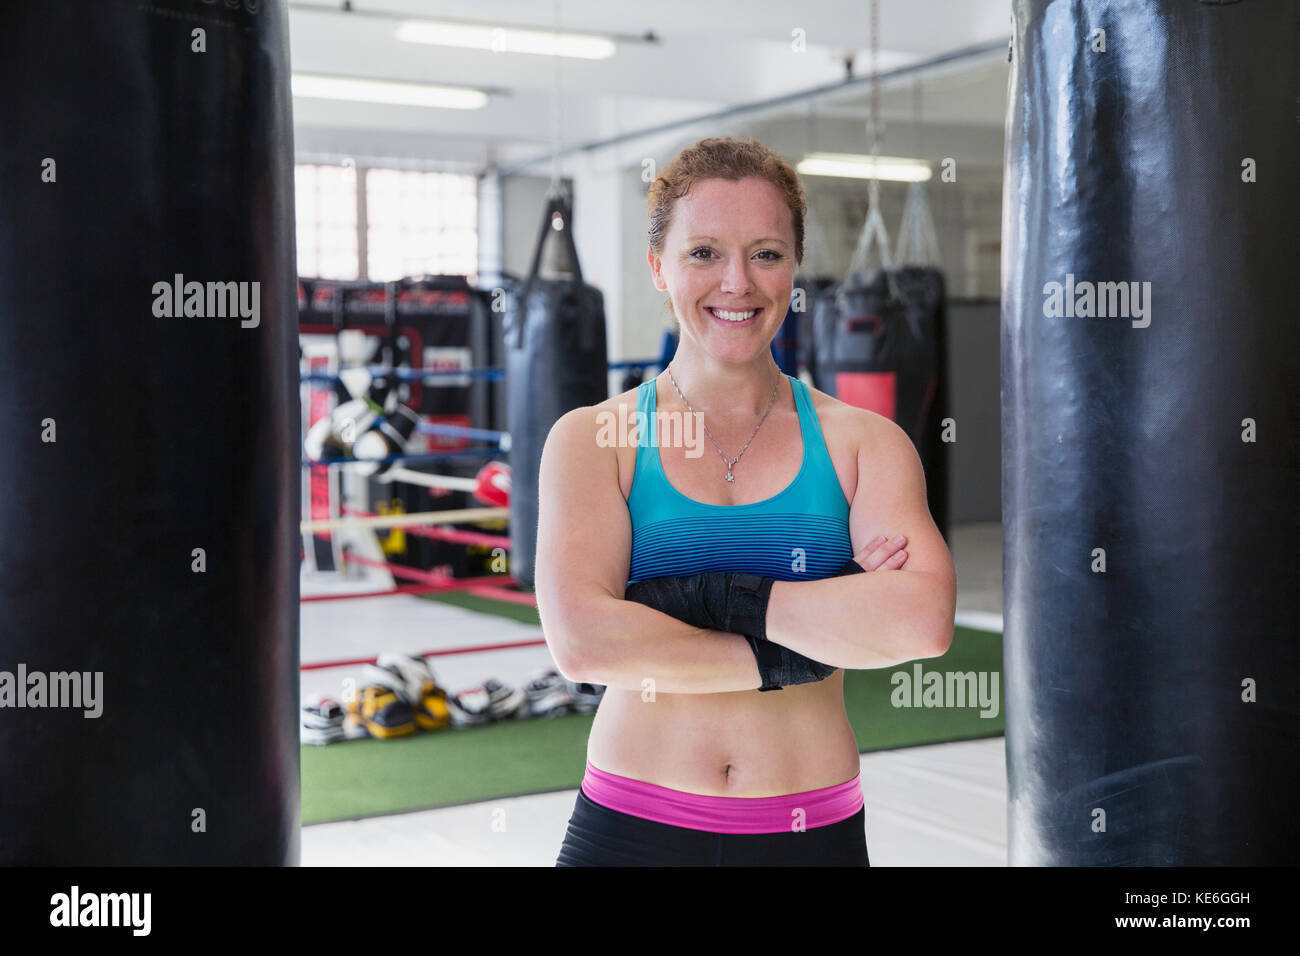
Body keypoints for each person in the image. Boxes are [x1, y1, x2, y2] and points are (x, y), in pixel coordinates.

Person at [536, 136, 956, 866]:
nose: (738, 282)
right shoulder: (592, 439)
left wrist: (708, 600)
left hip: (809, 829)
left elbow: (920, 623)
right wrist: (807, 634)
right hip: (633, 825)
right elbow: (585, 643)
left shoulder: (862, 442)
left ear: (793, 269)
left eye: (765, 253)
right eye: (703, 253)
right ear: (658, 267)